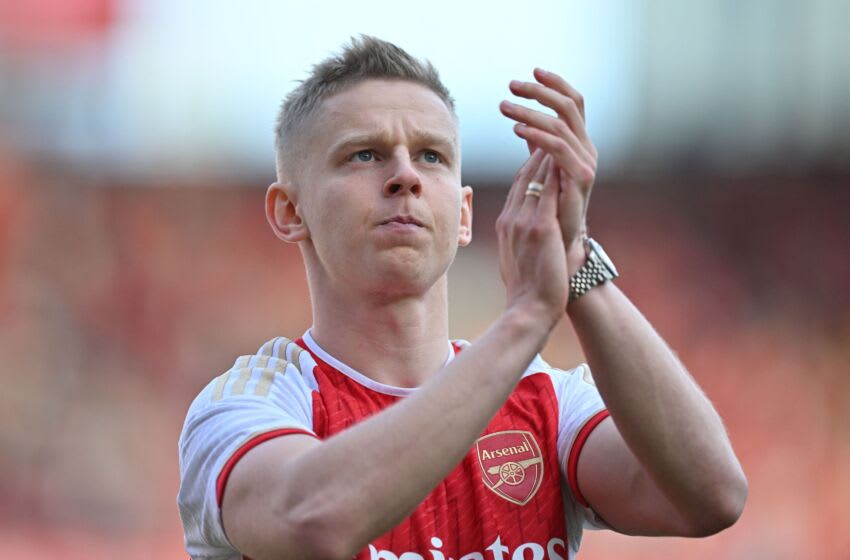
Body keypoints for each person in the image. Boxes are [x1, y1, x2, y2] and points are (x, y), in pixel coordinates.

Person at [177, 36, 747, 560]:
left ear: (465, 213)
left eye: (432, 156)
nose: (406, 176)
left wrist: (574, 258)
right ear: (289, 211)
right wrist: (525, 319)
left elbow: (711, 496)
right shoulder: (247, 404)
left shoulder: (546, 400)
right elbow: (313, 521)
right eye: (364, 155)